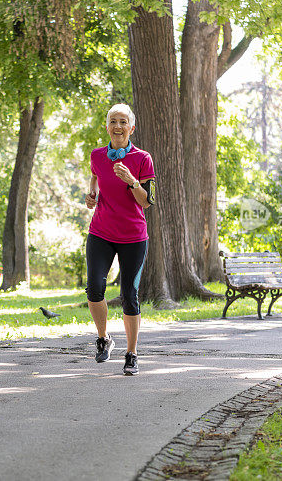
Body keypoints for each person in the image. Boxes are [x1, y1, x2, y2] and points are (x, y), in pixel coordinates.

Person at [84, 103, 156, 375]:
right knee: (94, 288)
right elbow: (94, 176)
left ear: (131, 127)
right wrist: (92, 195)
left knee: (129, 295)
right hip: (101, 231)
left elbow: (147, 202)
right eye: (113, 121)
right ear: (107, 126)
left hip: (133, 237)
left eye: (123, 122)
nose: (117, 126)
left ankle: (132, 353)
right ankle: (103, 339)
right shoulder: (97, 155)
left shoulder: (142, 158)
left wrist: (132, 181)